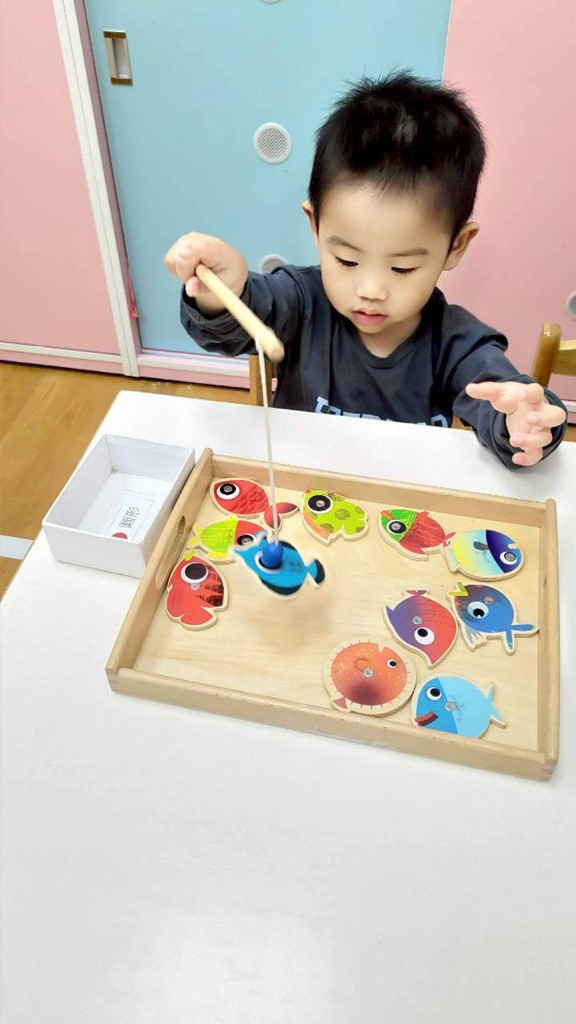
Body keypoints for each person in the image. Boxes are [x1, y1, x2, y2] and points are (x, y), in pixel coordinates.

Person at [165, 72, 567, 468]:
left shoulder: (456, 344)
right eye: (347, 261)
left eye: (403, 267)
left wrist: (522, 422)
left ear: (456, 246)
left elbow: (503, 399)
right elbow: (234, 326)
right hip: (300, 487)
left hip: (402, 499)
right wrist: (220, 295)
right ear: (315, 225)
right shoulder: (300, 302)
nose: (371, 289)